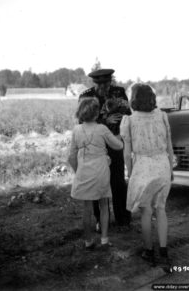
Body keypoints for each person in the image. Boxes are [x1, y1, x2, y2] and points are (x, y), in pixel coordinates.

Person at [120, 83, 174, 272]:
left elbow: (127, 154)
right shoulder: (162, 116)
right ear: (152, 97)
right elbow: (169, 145)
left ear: (133, 99)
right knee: (161, 209)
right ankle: (164, 253)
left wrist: (130, 172)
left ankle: (149, 252)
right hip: (163, 165)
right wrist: (171, 168)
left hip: (142, 167)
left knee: (146, 211)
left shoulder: (129, 121)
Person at [79, 69, 131, 230]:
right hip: (96, 143)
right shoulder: (86, 95)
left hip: (115, 140)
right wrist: (105, 119)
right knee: (98, 182)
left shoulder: (119, 91)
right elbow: (82, 119)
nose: (104, 87)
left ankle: (123, 218)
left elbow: (127, 113)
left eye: (106, 83)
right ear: (95, 83)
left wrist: (121, 118)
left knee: (118, 182)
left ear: (111, 81)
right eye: (100, 84)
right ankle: (101, 220)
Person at [68, 97, 123, 249]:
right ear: (97, 113)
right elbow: (118, 146)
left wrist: (78, 170)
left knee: (87, 208)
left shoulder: (76, 130)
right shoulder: (102, 129)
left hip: (84, 172)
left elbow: (71, 156)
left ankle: (88, 241)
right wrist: (119, 137)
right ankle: (104, 239)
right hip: (100, 171)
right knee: (104, 204)